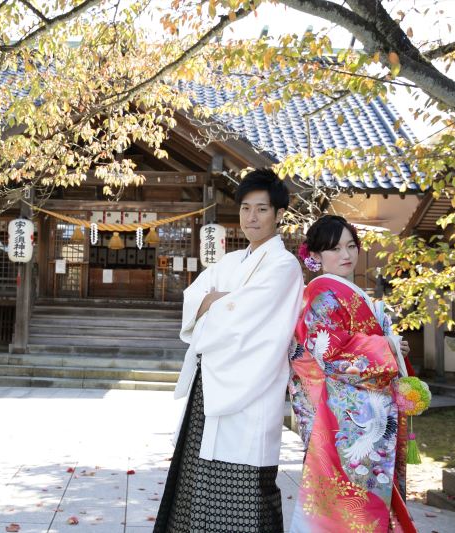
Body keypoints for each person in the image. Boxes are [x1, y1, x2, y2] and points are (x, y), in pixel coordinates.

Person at [153, 168, 304, 533]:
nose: (252, 217)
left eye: (262, 209)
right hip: (211, 385)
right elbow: (194, 299)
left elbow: (243, 320)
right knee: (196, 478)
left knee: (245, 489)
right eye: (246, 208)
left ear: (279, 214)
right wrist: (214, 302)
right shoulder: (231, 261)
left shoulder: (284, 266)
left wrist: (214, 304)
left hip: (249, 389)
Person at [287, 215, 417, 533]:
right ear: (315, 257)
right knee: (352, 505)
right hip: (340, 417)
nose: (346, 255)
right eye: (334, 248)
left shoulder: (348, 294)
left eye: (350, 246)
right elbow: (329, 355)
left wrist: (394, 349)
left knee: (369, 500)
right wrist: (386, 345)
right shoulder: (320, 295)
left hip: (360, 407)